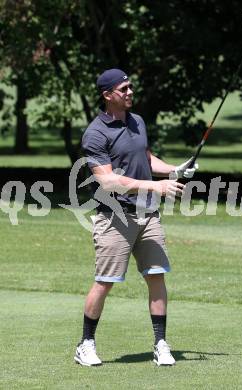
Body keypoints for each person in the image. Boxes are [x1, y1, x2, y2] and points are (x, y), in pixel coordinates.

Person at [74, 68, 198, 367]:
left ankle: (160, 344)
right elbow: (108, 181)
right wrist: (157, 185)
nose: (130, 93)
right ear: (107, 95)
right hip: (115, 218)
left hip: (148, 215)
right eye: (124, 89)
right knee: (105, 281)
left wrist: (173, 170)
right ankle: (86, 344)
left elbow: (145, 158)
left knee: (156, 277)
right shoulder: (95, 134)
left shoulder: (137, 121)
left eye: (130, 87)